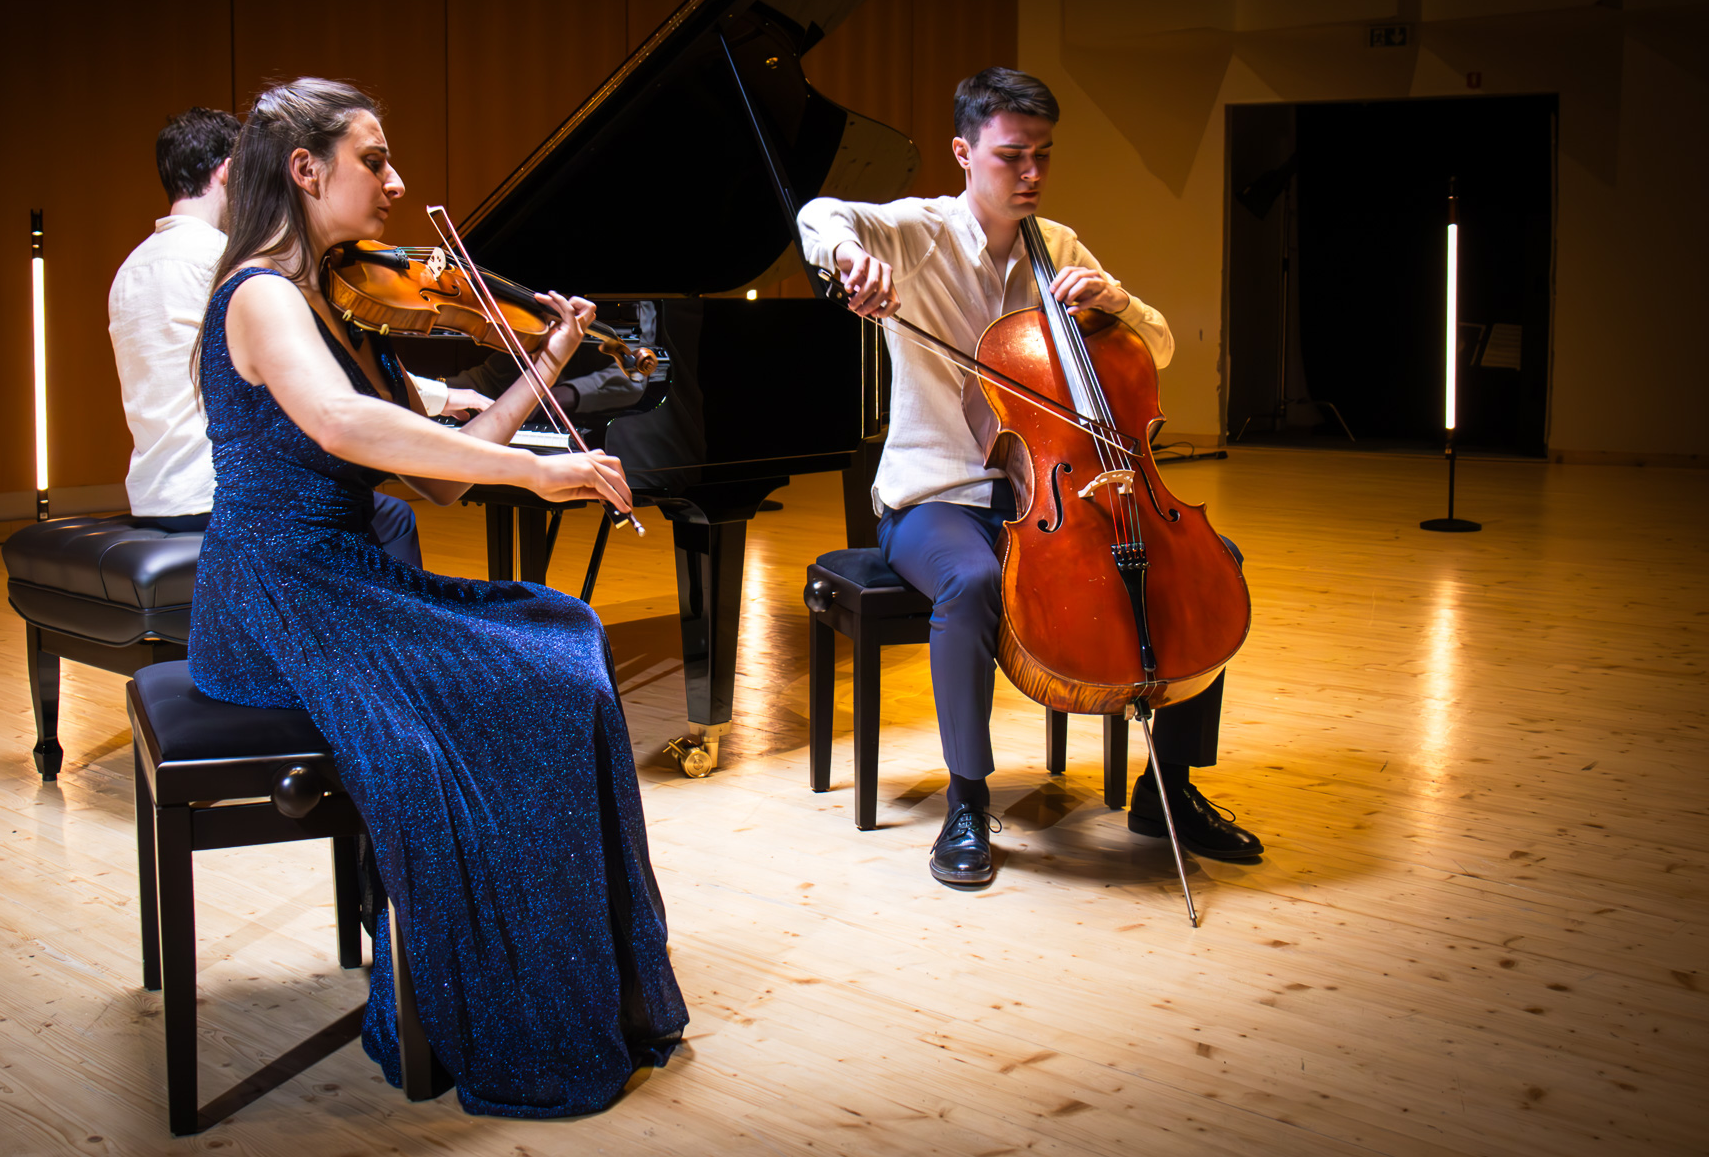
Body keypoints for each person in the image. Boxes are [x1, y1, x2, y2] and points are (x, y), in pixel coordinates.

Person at [187, 77, 686, 1116]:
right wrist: (542, 474)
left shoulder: (336, 298)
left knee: (562, 633)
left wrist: (541, 361)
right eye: (374, 159)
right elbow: (341, 425)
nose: (397, 182)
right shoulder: (262, 294)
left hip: (339, 576)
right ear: (306, 169)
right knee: (524, 686)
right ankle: (490, 997)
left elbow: (444, 475)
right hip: (273, 593)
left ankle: (584, 986)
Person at [797, 67, 1263, 888]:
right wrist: (845, 256)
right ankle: (969, 803)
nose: (1033, 175)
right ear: (964, 152)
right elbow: (819, 212)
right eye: (1014, 157)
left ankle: (1170, 791)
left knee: (1203, 561)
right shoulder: (917, 232)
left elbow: (1155, 349)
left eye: (1044, 156)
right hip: (937, 496)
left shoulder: (1063, 249)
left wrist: (1118, 301)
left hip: (1053, 494)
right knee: (973, 582)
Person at [107, 107, 488, 558]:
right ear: (232, 173)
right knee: (383, 511)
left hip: (154, 493)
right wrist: (442, 398)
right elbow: (321, 369)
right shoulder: (231, 267)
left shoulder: (130, 269)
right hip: (216, 494)